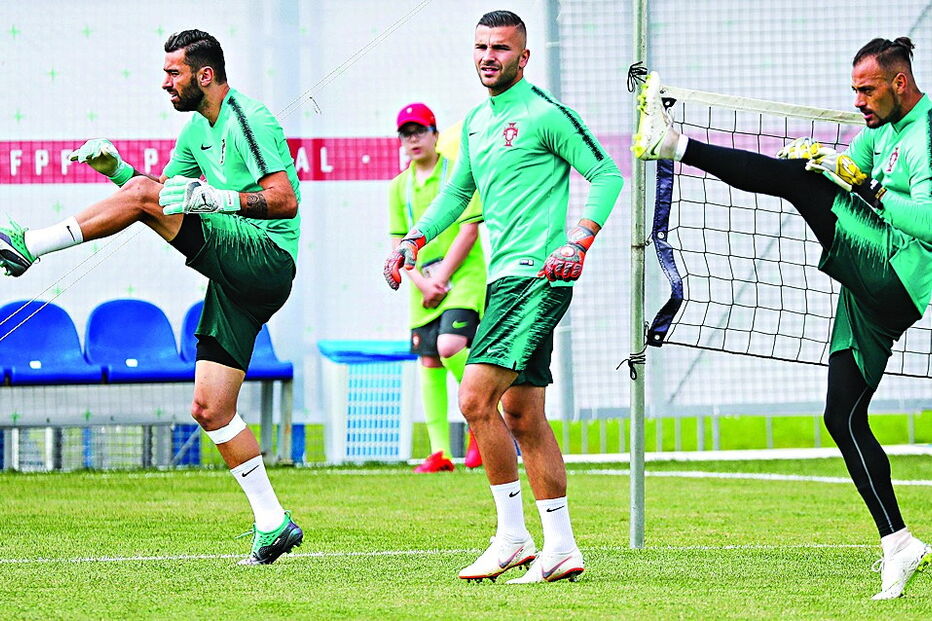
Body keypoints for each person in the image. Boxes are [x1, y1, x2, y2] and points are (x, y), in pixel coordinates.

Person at [633, 37, 932, 599]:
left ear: (899, 82)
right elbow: (851, 172)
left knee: (799, 185)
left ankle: (673, 143)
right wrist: (827, 157)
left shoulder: (927, 133)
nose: (859, 101)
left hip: (894, 272)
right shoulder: (879, 130)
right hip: (868, 290)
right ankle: (900, 544)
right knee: (841, 416)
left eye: (867, 90)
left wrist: (857, 185)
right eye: (854, 91)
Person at [0, 29, 303, 565]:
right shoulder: (194, 130)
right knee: (210, 408)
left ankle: (31, 247)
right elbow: (161, 196)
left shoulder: (250, 118)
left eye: (173, 73)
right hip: (237, 282)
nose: (164, 83)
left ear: (203, 75)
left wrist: (218, 197)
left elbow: (284, 200)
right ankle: (273, 523)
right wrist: (116, 170)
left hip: (265, 259)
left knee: (140, 198)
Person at [384, 10, 623, 583]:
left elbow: (607, 174)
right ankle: (561, 546)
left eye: (501, 48)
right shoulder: (472, 122)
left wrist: (580, 241)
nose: (489, 56)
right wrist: (416, 240)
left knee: (473, 400)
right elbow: (460, 191)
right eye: (481, 47)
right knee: (521, 413)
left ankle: (513, 537)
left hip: (538, 279)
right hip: (504, 283)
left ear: (524, 56)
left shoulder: (546, 114)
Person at [389, 102, 486, 472]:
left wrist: (441, 277)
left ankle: (484, 417)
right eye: (406, 133)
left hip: (462, 277)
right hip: (423, 283)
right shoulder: (399, 186)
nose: (413, 139)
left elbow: (469, 230)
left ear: (434, 134)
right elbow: (398, 241)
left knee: (450, 347)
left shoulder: (456, 173)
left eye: (419, 131)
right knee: (429, 359)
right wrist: (419, 280)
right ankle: (440, 453)